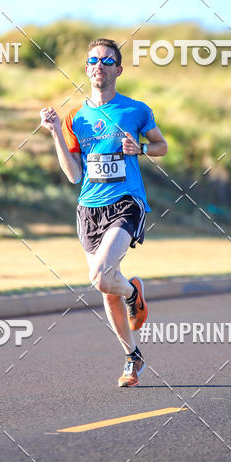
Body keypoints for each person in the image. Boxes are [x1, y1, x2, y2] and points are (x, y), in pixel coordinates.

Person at [40, 38, 168, 387]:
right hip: (89, 208)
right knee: (106, 288)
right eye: (93, 59)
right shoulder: (74, 118)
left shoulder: (136, 110)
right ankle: (133, 355)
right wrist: (54, 132)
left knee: (99, 276)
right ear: (86, 68)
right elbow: (73, 174)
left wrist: (139, 148)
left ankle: (132, 294)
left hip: (126, 202)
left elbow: (162, 146)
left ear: (118, 70)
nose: (100, 65)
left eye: (107, 61)